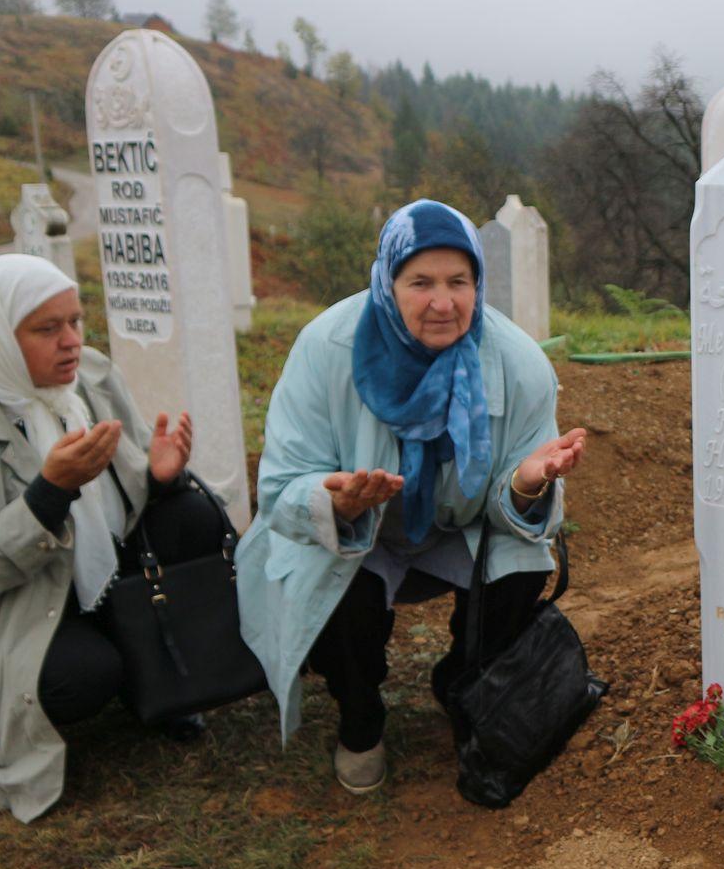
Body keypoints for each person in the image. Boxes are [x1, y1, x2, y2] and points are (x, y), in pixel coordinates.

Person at [236, 200, 587, 794]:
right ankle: (360, 713)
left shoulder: (519, 363)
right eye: (420, 282)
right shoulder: (327, 349)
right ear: (387, 280)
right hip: (362, 532)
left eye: (459, 282)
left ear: (479, 283)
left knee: (523, 568)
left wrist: (525, 486)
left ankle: (463, 681)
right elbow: (280, 485)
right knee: (339, 594)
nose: (443, 303)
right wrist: (336, 504)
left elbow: (516, 501)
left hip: (463, 525)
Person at [0, 254, 224, 821]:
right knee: (84, 675)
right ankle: (123, 657)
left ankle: (148, 664)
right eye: (47, 329)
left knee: (192, 516)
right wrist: (49, 492)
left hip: (81, 574)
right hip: (7, 608)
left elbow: (125, 495)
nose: (71, 341)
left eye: (75, 320)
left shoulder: (87, 375)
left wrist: (160, 477)